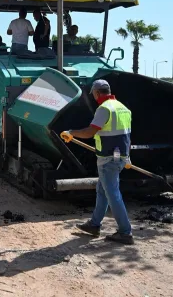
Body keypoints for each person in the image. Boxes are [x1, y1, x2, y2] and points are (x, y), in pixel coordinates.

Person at [60, 79, 134, 245]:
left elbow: (90, 132)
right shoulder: (123, 108)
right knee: (102, 191)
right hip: (119, 157)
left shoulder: (104, 108)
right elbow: (127, 136)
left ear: (97, 93)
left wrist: (71, 132)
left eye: (93, 94)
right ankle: (94, 225)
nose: (93, 97)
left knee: (113, 194)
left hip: (108, 159)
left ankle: (125, 232)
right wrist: (126, 157)